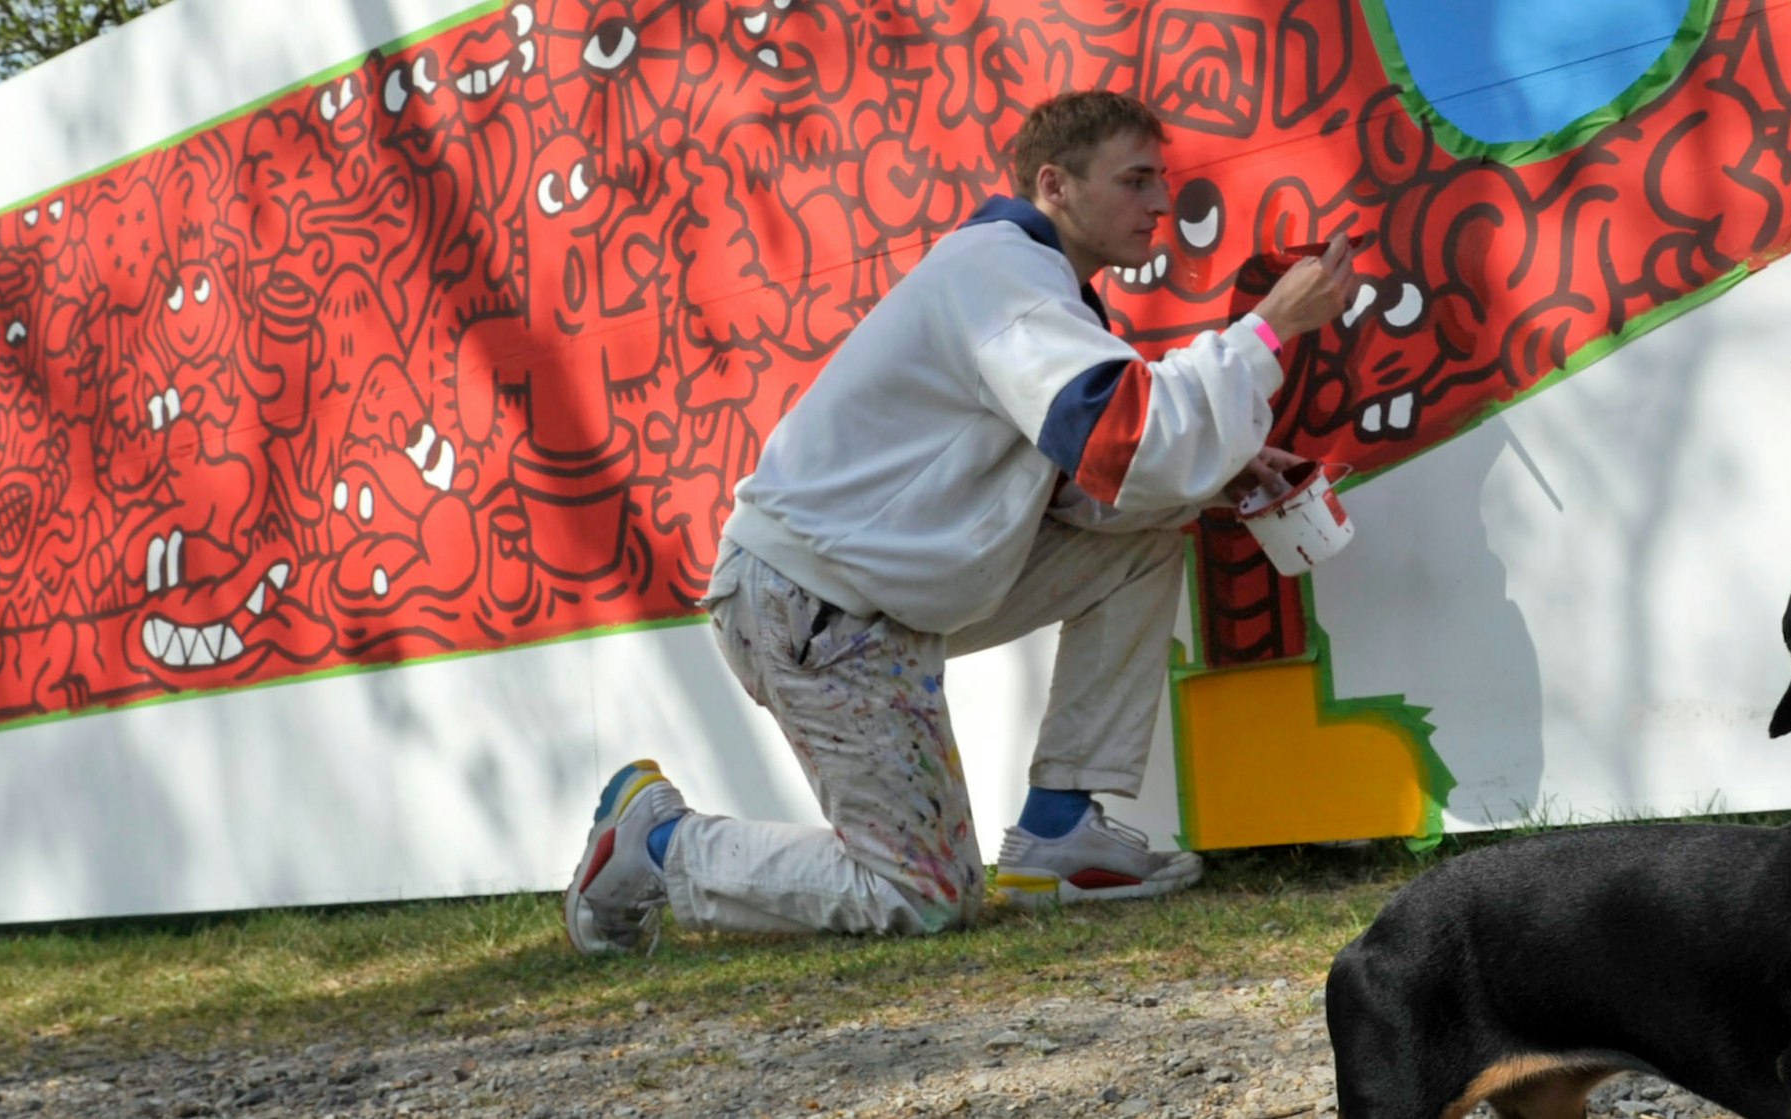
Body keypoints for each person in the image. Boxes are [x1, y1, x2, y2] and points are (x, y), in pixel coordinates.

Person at [563, 89, 1367, 951]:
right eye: (1136, 180)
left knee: (1143, 536)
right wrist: (1271, 328)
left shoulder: (1035, 286)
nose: (1161, 204)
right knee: (924, 896)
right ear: (1054, 185)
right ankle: (654, 842)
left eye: (1161, 182)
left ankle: (1059, 828)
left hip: (874, 597)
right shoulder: (1001, 277)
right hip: (813, 608)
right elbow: (1124, 432)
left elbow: (1088, 476)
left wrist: (1222, 475)